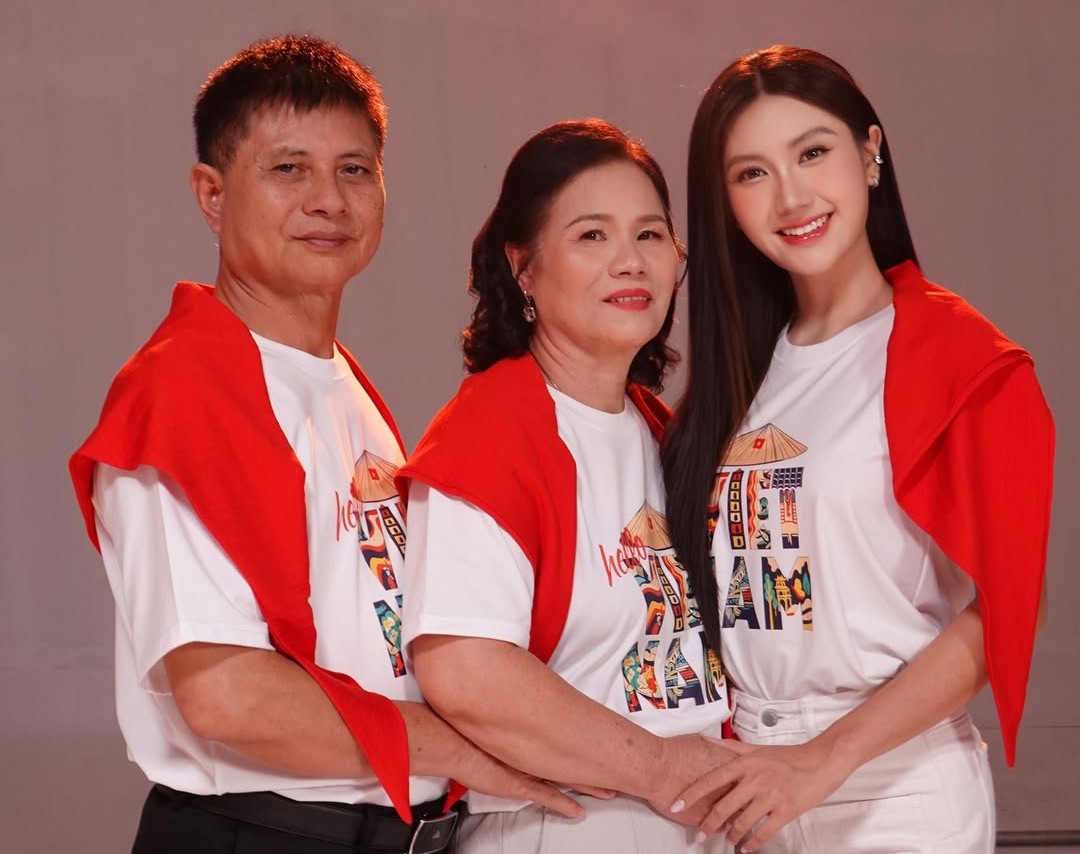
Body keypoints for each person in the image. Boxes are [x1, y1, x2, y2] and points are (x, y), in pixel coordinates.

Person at [68, 35, 581, 854]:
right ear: (210, 192)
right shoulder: (180, 393)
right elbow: (226, 695)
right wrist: (466, 752)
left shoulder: (335, 380)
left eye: (355, 169)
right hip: (264, 835)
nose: (328, 200)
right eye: (287, 169)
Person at [661, 45, 1055, 853]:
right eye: (751, 173)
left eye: (812, 152)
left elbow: (1012, 606)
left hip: (893, 787)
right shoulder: (742, 375)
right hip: (750, 787)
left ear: (870, 153)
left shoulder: (962, 359)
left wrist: (820, 762)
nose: (792, 196)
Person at [396, 119, 737, 853]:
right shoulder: (489, 433)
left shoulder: (658, 430)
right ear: (524, 268)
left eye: (650, 235)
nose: (631, 262)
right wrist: (665, 767)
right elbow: (467, 675)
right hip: (568, 827)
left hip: (691, 821)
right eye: (592, 236)